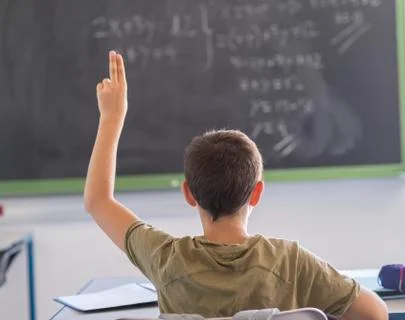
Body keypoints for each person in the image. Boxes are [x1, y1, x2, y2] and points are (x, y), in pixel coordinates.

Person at [84, 51, 388, 320]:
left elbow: (97, 200)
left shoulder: (166, 259)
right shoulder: (292, 262)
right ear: (257, 193)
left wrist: (112, 117)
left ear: (189, 194)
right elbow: (375, 314)